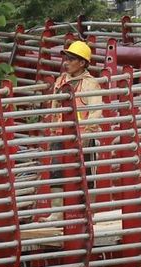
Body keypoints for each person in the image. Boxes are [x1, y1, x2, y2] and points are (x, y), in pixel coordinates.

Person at [43, 40, 103, 222]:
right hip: (61, 134)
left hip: (83, 137)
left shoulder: (90, 84)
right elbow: (54, 108)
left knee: (86, 176)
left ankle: (86, 213)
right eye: (66, 59)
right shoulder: (60, 81)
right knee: (56, 172)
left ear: (82, 63)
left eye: (71, 59)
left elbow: (96, 112)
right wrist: (53, 130)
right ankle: (57, 212)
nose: (66, 62)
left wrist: (88, 132)